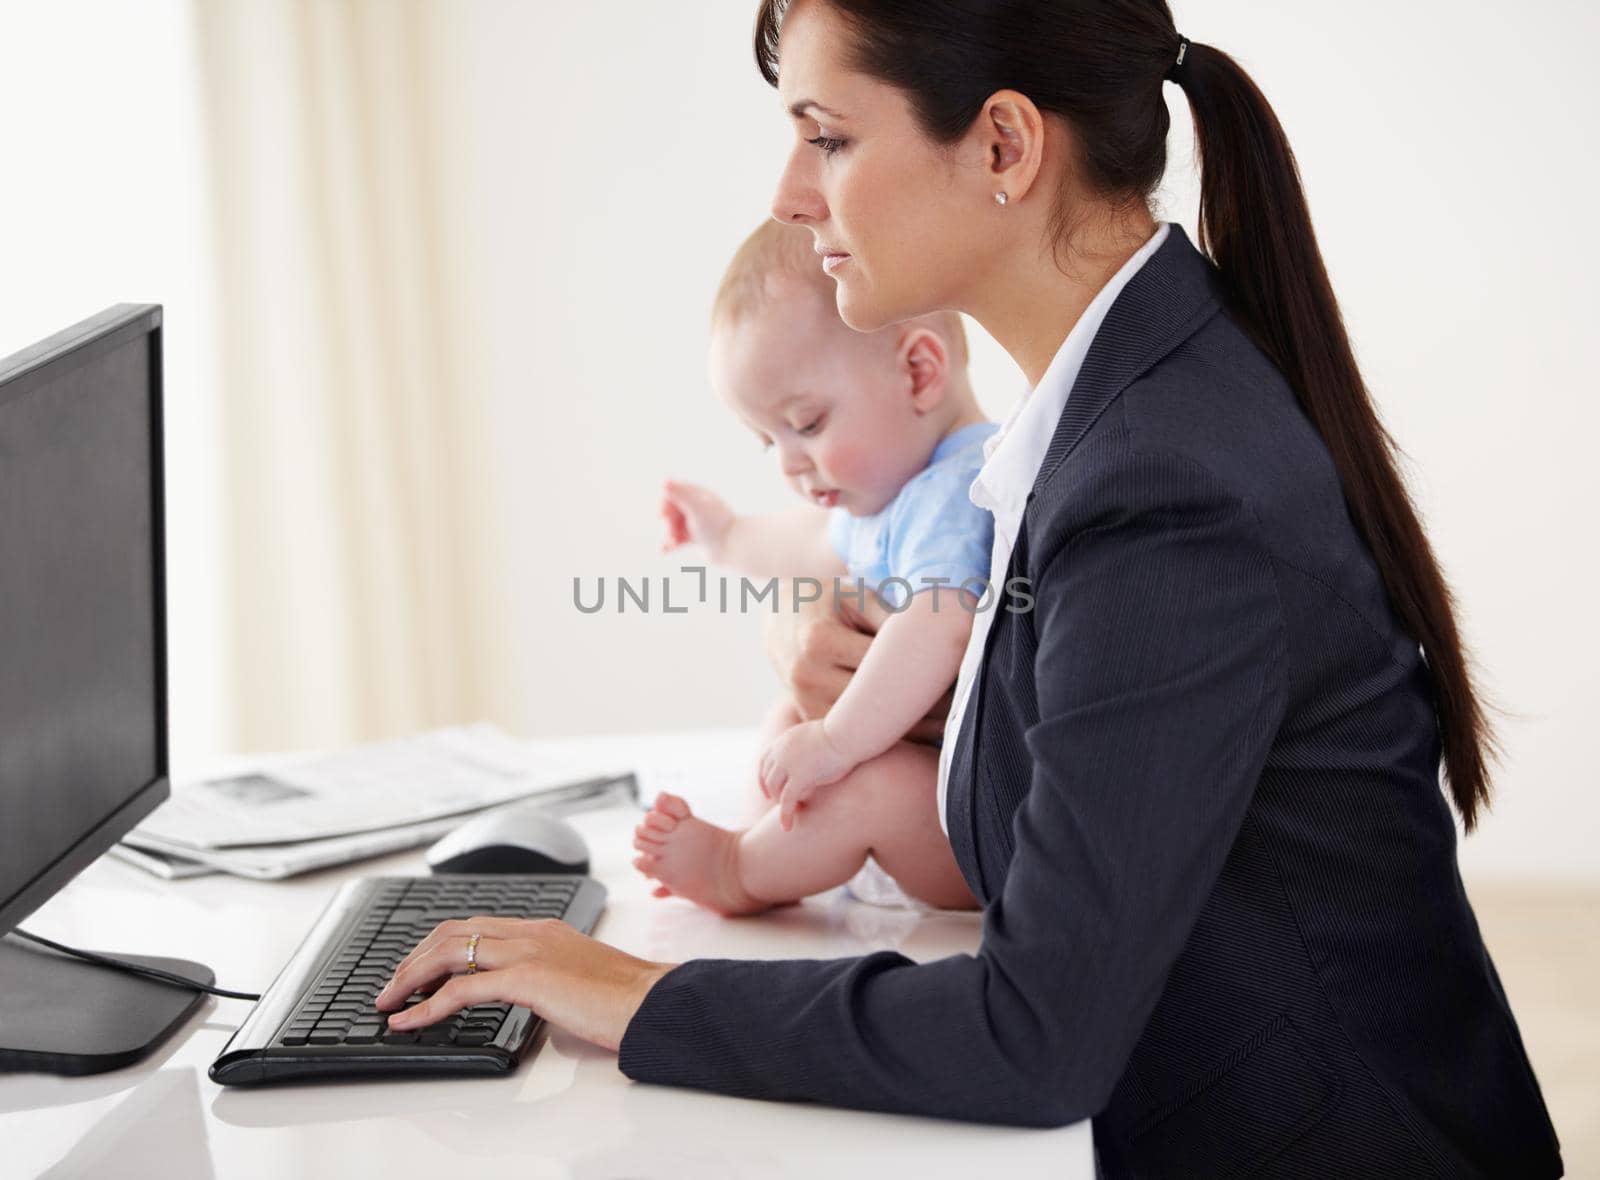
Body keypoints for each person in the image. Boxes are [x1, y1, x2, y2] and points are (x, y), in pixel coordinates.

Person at [376, 2, 1564, 1174]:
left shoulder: (1159, 485)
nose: (790, 194)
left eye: (827, 137)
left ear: (1003, 145)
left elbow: (1033, 1037)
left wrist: (637, 995)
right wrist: (876, 673)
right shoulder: (1129, 393)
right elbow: (1075, 712)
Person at [640, 219, 994, 915]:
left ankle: (739, 871)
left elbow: (939, 624)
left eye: (805, 424)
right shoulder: (896, 493)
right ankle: (759, 844)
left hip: (974, 828)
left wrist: (835, 742)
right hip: (936, 807)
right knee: (786, 717)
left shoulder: (958, 490)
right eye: (766, 439)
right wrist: (726, 536)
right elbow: (809, 546)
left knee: (864, 782)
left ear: (919, 372)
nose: (790, 463)